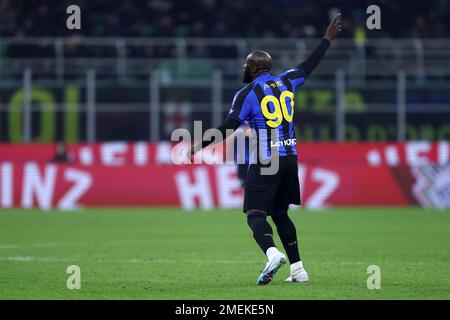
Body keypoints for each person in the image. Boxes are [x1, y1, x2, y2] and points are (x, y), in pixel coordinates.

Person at [188, 15, 342, 285]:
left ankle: (272, 254)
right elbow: (310, 64)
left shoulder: (246, 93)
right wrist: (326, 39)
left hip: (265, 160)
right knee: (281, 213)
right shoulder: (288, 80)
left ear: (250, 69)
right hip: (290, 159)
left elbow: (228, 127)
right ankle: (298, 270)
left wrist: (198, 144)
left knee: (255, 214)